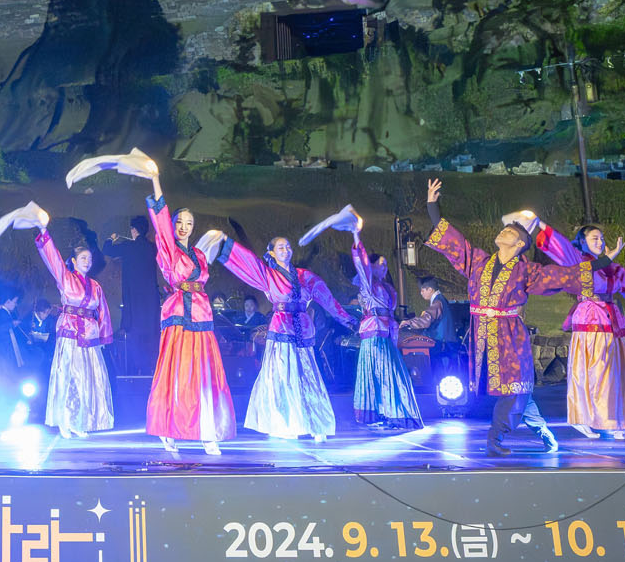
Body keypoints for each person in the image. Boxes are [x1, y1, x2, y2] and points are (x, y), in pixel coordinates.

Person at [66, 150, 235, 455]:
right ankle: (169, 428)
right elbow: (160, 218)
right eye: (179, 222)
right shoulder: (167, 247)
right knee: (176, 373)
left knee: (204, 375)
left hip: (202, 317)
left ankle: (207, 431)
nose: (184, 226)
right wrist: (155, 179)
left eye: (189, 223)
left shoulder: (198, 254)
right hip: (177, 315)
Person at [421, 179, 595, 456]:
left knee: (515, 390)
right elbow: (453, 244)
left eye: (509, 231)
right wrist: (433, 205)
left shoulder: (527, 271)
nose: (502, 231)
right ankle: (545, 434)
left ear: (519, 243)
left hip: (510, 336)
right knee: (518, 393)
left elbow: (564, 276)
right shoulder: (478, 262)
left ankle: (495, 439)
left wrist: (603, 263)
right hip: (483, 335)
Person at [201, 220, 356, 442]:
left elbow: (326, 297)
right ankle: (285, 423)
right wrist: (225, 242)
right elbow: (249, 262)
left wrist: (348, 320)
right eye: (281, 247)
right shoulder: (268, 275)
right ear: (272, 253)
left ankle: (315, 422)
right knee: (283, 377)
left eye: (288, 246)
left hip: (302, 331)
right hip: (281, 329)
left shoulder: (304, 276)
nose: (286, 250)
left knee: (307, 377)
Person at [524, 216, 625, 439]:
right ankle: (592, 418)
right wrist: (540, 224)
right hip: (590, 320)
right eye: (594, 238)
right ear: (582, 241)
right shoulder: (577, 261)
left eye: (601, 238)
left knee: (618, 372)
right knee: (595, 372)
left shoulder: (614, 268)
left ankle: (616, 417)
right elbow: (560, 245)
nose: (600, 242)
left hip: (612, 322)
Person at [0, 201, 114, 436]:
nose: (87, 261)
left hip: (90, 337)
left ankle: (82, 421)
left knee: (87, 379)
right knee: (70, 377)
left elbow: (102, 311)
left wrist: (104, 338)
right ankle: (66, 420)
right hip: (70, 334)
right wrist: (44, 231)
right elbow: (53, 257)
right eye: (82, 258)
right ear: (74, 261)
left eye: (89, 258)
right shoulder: (66, 278)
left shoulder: (95, 286)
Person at [308, 207, 423, 433]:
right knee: (380, 374)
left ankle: (392, 411)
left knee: (391, 373)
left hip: (386, 334)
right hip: (373, 335)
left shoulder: (388, 288)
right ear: (371, 267)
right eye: (380, 264)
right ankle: (383, 412)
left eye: (386, 264)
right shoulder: (369, 286)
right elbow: (361, 264)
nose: (384, 267)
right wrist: (356, 236)